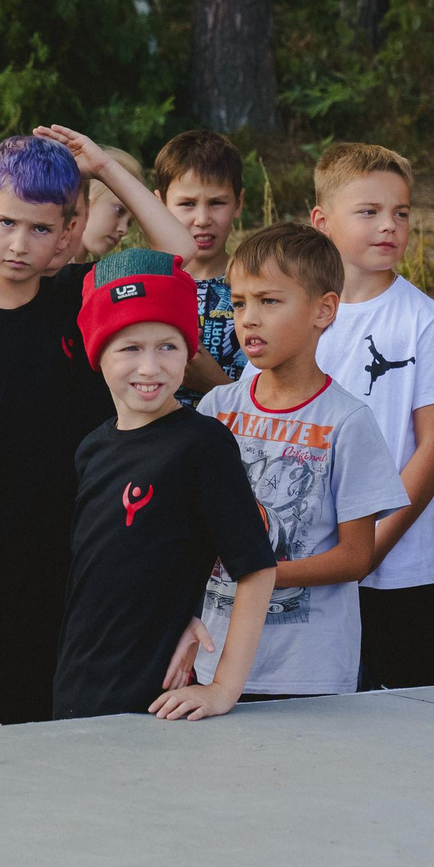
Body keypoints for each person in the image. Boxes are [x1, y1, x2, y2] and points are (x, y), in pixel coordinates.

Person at [0, 129, 196, 724]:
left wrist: (104, 170)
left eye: (41, 229)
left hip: (83, 559)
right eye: (8, 223)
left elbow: (176, 252)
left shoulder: (81, 297)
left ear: (70, 230)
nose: (20, 244)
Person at [51, 249, 276, 720]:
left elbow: (256, 569)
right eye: (130, 348)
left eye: (167, 346)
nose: (150, 368)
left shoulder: (203, 444)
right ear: (98, 352)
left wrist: (223, 688)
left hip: (154, 696)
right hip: (78, 682)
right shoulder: (92, 447)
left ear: (190, 350)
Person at [184, 225, 399, 700]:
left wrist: (261, 573)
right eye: (239, 303)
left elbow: (357, 557)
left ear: (324, 310)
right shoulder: (216, 408)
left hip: (306, 672)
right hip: (210, 660)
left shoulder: (348, 421)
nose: (250, 319)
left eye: (269, 301)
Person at [309, 142, 434, 689]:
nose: (390, 226)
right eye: (369, 212)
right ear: (322, 222)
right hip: (310, 558)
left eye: (401, 213)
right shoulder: (297, 314)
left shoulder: (425, 322)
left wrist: (372, 545)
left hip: (398, 567)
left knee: (405, 715)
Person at [153, 129, 245, 395]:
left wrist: (214, 385)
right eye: (187, 204)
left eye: (217, 202)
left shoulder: (256, 287)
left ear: (238, 203)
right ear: (159, 204)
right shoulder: (145, 284)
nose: (203, 219)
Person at [67, 147, 141, 264]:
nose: (124, 230)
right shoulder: (38, 269)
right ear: (87, 198)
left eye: (130, 223)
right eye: (119, 210)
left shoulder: (95, 277)